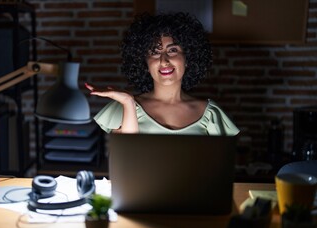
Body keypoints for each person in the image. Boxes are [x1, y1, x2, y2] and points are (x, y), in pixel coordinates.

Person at [86, 12, 239, 136]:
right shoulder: (124, 106)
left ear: (187, 58)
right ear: (144, 62)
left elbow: (221, 167)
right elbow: (126, 161)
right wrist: (128, 103)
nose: (164, 60)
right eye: (154, 52)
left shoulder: (210, 113)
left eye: (172, 50)